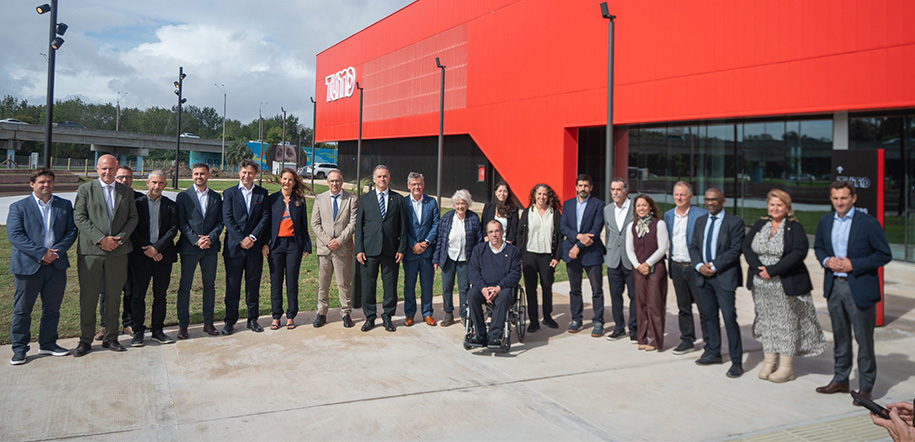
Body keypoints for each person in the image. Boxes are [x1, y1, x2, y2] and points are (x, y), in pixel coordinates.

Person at [813, 181, 891, 403]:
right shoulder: (825, 221)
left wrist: (853, 264)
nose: (839, 202)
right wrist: (826, 260)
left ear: (853, 198)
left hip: (859, 287)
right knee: (840, 336)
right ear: (831, 199)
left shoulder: (868, 223)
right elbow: (819, 247)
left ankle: (865, 387)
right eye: (835, 198)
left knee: (864, 339)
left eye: (844, 198)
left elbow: (884, 254)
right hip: (834, 286)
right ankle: (841, 379)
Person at [742, 189, 826, 382]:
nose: (775, 208)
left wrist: (772, 270)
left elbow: (798, 253)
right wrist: (758, 268)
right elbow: (746, 246)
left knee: (786, 324)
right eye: (772, 204)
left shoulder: (794, 228)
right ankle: (769, 362)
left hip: (784, 284)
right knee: (767, 323)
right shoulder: (760, 224)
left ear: (787, 207)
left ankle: (786, 368)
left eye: (779, 205)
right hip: (761, 285)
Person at [7, 168, 78, 364]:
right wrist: (41, 253)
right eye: (41, 182)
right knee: (22, 310)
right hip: (28, 267)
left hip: (56, 266)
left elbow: (71, 231)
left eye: (49, 181)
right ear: (32, 184)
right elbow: (15, 235)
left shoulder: (64, 205)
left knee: (52, 309)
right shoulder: (19, 207)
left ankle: (48, 344)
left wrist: (55, 252)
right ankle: (19, 349)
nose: (46, 185)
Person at [73, 154, 138, 356]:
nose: (107, 172)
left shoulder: (126, 192)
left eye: (111, 168)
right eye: (103, 168)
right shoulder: (86, 189)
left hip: (118, 252)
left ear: (116, 169)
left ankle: (111, 337)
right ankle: (85, 339)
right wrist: (101, 239)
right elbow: (79, 217)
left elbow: (133, 218)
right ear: (97, 169)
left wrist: (119, 239)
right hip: (91, 252)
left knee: (113, 296)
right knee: (89, 297)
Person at [689, 187, 745, 377]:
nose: (710, 203)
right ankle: (713, 352)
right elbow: (693, 246)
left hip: (724, 277)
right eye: (707, 199)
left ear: (723, 201)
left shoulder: (735, 222)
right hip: (703, 277)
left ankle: (736, 361)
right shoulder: (700, 221)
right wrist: (699, 266)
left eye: (714, 200)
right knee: (709, 317)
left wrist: (713, 265)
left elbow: (735, 250)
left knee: (729, 317)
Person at [129, 170, 178, 347]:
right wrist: (148, 248)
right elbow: (133, 229)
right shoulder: (137, 204)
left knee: (160, 295)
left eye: (161, 183)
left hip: (162, 257)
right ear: (147, 183)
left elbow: (173, 229)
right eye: (154, 182)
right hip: (141, 257)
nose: (157, 186)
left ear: (165, 185)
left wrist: (157, 247)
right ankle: (138, 331)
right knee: (138, 296)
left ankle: (158, 330)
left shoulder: (171, 205)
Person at [356, 165, 407, 332]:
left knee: (390, 287)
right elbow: (359, 226)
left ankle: (387, 317)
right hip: (369, 250)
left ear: (389, 178)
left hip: (391, 250)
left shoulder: (398, 199)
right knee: (368, 286)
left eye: (384, 176)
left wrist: (401, 248)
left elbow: (403, 227)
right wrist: (359, 249)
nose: (382, 179)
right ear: (374, 179)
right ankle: (370, 317)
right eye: (379, 176)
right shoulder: (365, 199)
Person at [175, 163, 224, 339]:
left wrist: (210, 238)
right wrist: (196, 240)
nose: (199, 177)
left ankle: (208, 323)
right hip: (189, 248)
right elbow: (181, 222)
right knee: (185, 286)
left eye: (202, 174)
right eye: (196, 174)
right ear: (192, 175)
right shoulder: (183, 196)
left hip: (210, 249)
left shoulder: (216, 197)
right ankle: (183, 325)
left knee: (209, 286)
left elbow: (220, 222)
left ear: (208, 175)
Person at [222, 159, 270, 335]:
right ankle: (230, 321)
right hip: (234, 248)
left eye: (250, 173)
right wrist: (241, 239)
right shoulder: (229, 193)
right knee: (232, 286)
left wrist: (252, 237)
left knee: (253, 285)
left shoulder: (262, 194)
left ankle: (252, 320)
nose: (246, 176)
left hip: (254, 248)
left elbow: (265, 218)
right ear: (239, 172)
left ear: (255, 174)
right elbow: (228, 218)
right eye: (244, 172)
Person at [95, 165, 143, 340]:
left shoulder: (139, 199)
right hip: (108, 251)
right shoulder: (106, 196)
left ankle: (128, 323)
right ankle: (105, 325)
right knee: (106, 291)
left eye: (128, 177)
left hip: (131, 252)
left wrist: (121, 239)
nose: (124, 180)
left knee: (130, 290)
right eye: (121, 177)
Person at [663, 181, 709, 355]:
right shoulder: (669, 215)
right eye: (676, 194)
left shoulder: (701, 214)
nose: (679, 198)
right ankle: (687, 340)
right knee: (683, 307)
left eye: (683, 194)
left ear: (690, 196)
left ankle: (710, 344)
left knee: (704, 308)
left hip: (695, 268)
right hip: (676, 266)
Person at [264, 168, 312, 330]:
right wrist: (265, 243)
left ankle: (291, 315)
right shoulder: (272, 199)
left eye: (290, 179)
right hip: (276, 245)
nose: (287, 182)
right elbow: (266, 224)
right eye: (284, 179)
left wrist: (306, 245)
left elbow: (303, 225)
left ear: (294, 182)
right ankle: (276, 316)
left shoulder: (299, 200)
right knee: (276, 282)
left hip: (293, 246)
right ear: (280, 180)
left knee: (292, 282)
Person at [311, 169, 358, 328]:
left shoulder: (351, 199)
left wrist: (339, 241)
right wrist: (328, 241)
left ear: (342, 182)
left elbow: (353, 224)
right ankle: (321, 313)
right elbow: (314, 223)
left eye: (337, 181)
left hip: (343, 249)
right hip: (324, 249)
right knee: (323, 284)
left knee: (343, 283)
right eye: (331, 181)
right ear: (327, 182)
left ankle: (346, 313)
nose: (334, 184)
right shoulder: (320, 198)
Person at [560, 174, 606, 336]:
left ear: (591, 188)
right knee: (575, 289)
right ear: (576, 187)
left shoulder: (598, 205)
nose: (583, 189)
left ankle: (598, 321)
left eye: (586, 186)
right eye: (580, 185)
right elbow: (563, 227)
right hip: (572, 253)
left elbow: (595, 230)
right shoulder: (568, 204)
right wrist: (578, 237)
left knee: (596, 289)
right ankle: (576, 319)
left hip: (591, 253)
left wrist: (577, 246)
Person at [466, 220, 522, 348]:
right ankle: (480, 335)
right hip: (483, 288)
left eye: (497, 231)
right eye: (491, 232)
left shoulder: (513, 251)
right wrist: (483, 289)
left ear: (502, 232)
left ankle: (494, 336)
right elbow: (473, 272)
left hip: (503, 288)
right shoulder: (479, 250)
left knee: (504, 296)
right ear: (487, 234)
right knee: (472, 295)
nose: (494, 235)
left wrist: (498, 288)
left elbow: (515, 274)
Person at [624, 194, 669, 351]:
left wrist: (648, 263)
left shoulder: (659, 224)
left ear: (650, 207)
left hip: (656, 270)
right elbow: (629, 249)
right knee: (640, 305)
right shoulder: (632, 226)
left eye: (644, 205)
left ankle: (654, 340)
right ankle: (642, 338)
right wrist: (638, 265)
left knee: (654, 305)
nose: (641, 208)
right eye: (638, 206)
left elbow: (662, 248)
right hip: (638, 270)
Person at [516, 183, 562, 332]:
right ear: (534, 195)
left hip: (547, 256)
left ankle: (547, 317)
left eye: (545, 194)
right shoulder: (527, 212)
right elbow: (520, 235)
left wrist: (557, 257)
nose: (542, 197)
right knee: (531, 289)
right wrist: (520, 257)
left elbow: (559, 236)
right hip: (530, 255)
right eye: (539, 194)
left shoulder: (554, 213)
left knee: (547, 287)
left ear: (549, 197)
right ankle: (534, 321)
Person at [433, 189, 482, 327]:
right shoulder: (447, 218)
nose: (460, 206)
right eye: (458, 203)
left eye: (463, 203)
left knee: (464, 288)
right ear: (454, 204)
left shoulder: (473, 218)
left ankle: (464, 314)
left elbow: (478, 241)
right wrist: (436, 259)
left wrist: (477, 261)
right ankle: (448, 314)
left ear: (468, 204)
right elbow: (440, 239)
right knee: (447, 287)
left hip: (465, 259)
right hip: (448, 258)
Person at [402, 172, 440, 326]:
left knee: (427, 284)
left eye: (419, 183)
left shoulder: (431, 202)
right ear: (408, 186)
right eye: (413, 184)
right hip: (410, 252)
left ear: (423, 185)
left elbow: (436, 224)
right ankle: (409, 314)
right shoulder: (403, 202)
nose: (416, 187)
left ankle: (427, 313)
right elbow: (401, 226)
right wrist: (413, 244)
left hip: (427, 252)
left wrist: (426, 242)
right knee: (409, 285)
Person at [604, 177, 635, 341]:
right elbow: (608, 233)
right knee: (615, 296)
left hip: (632, 259)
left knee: (634, 296)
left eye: (618, 189)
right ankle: (619, 328)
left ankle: (634, 329)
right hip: (613, 259)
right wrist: (608, 254)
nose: (615, 193)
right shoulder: (607, 209)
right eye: (613, 189)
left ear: (626, 191)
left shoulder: (635, 208)